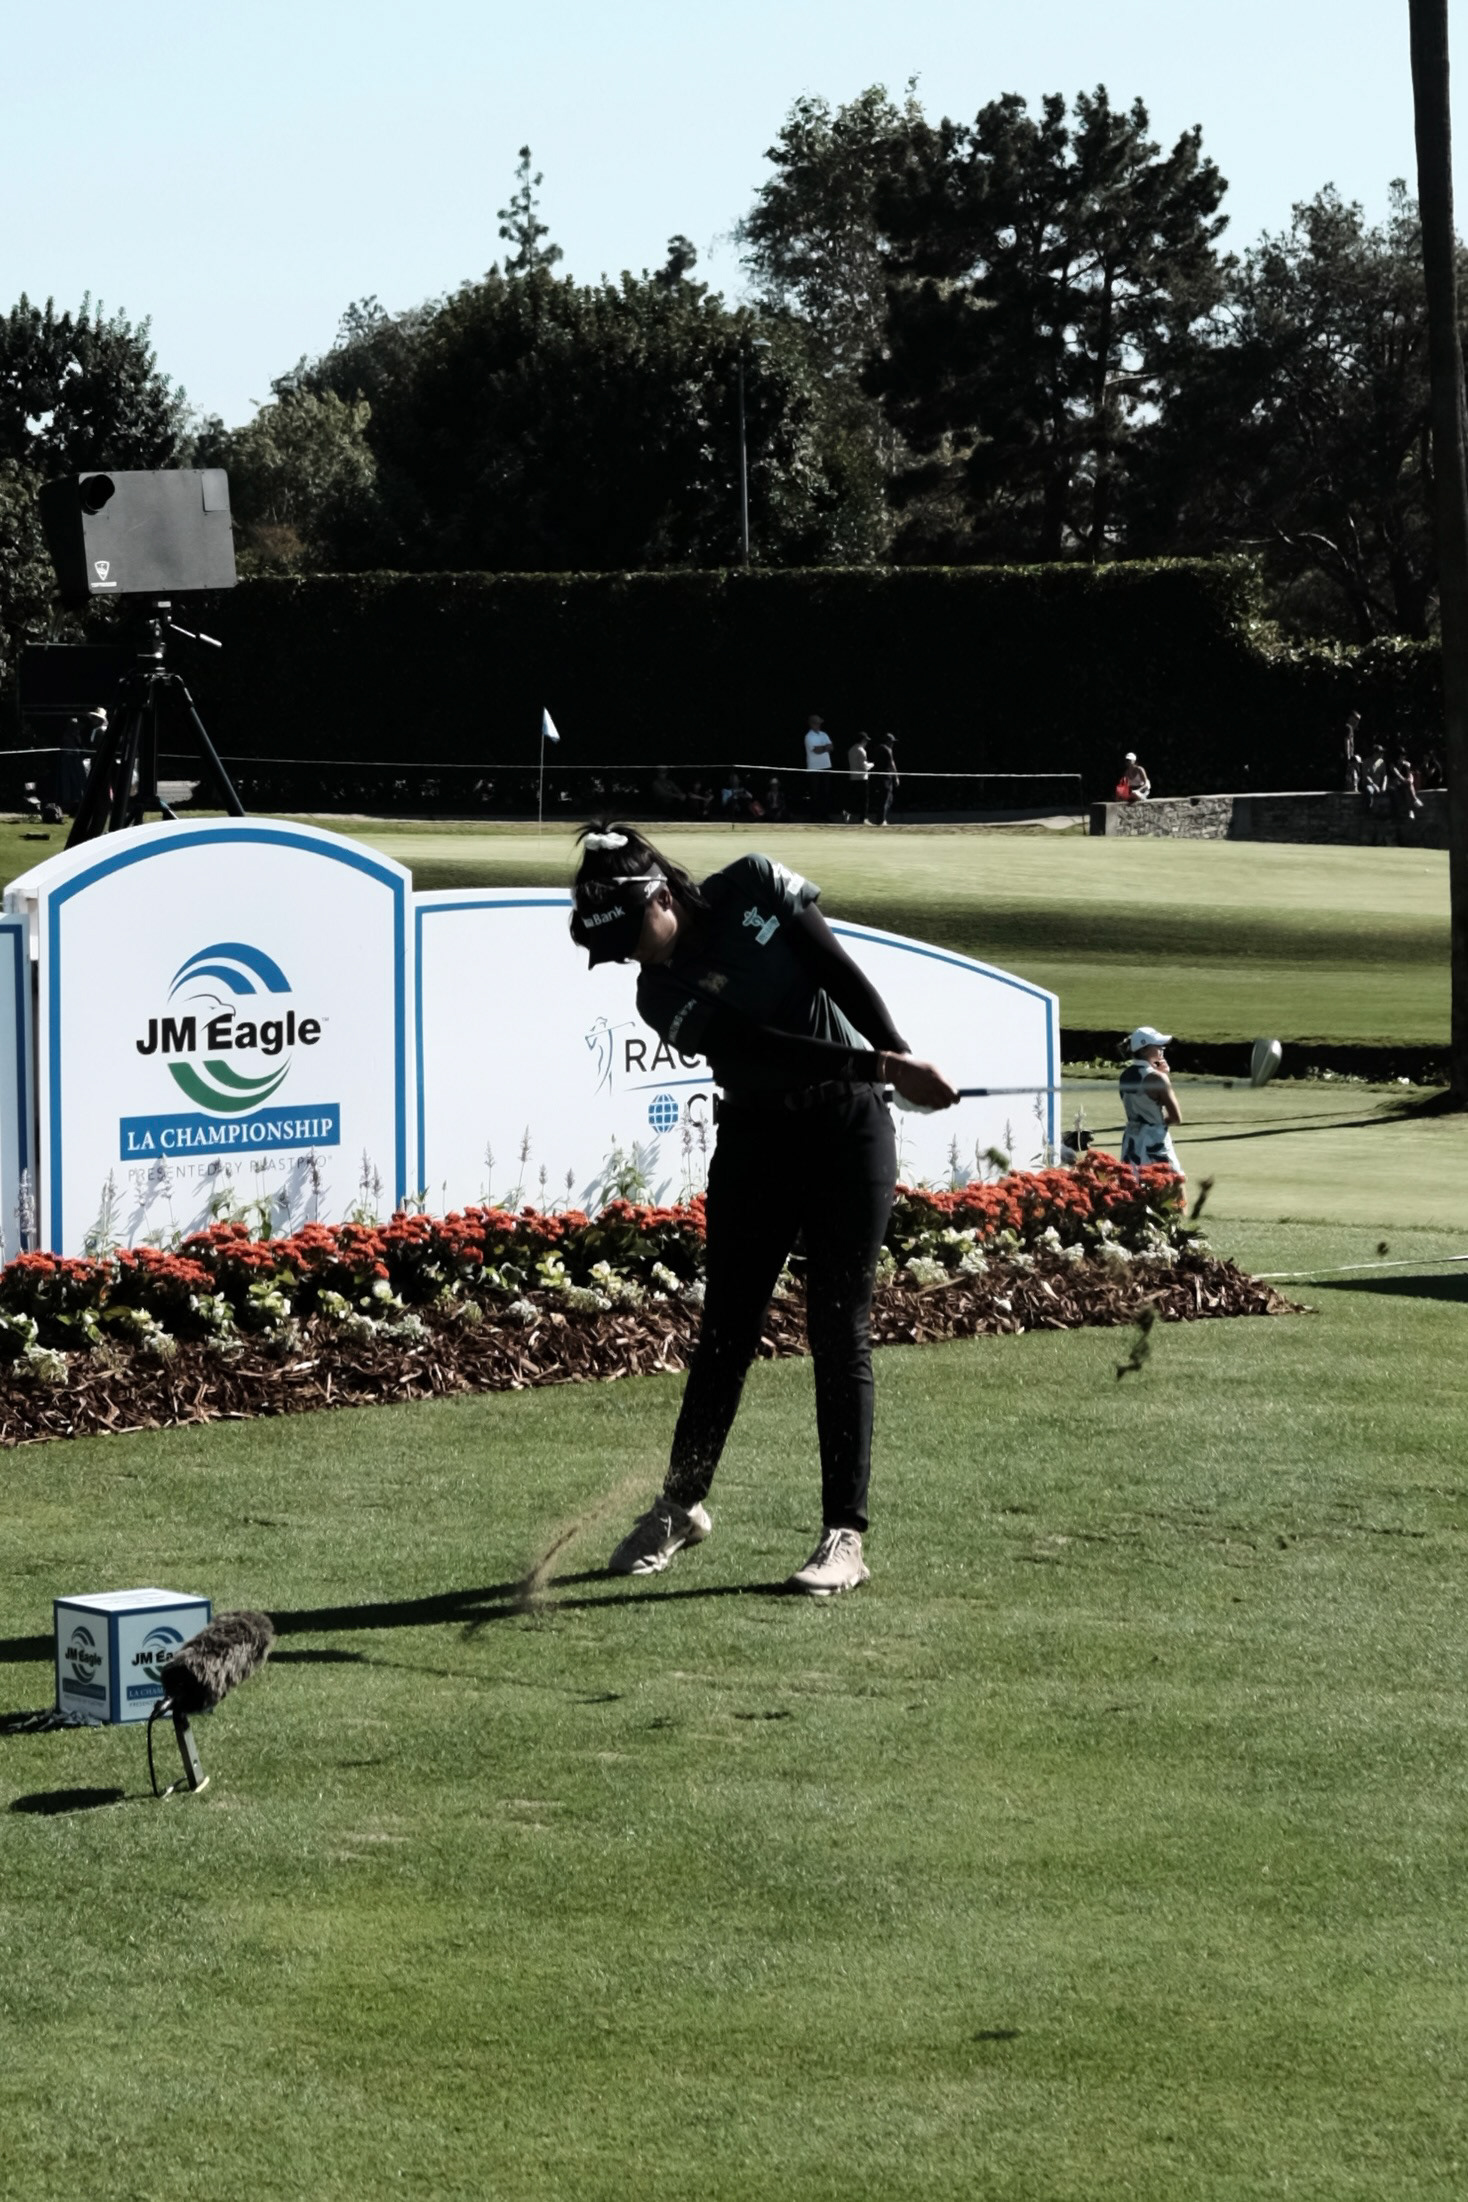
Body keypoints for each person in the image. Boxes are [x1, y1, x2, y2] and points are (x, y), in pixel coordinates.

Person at [569, 822, 957, 1596]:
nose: (633, 958)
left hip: (848, 1128)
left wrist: (899, 1054)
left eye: (631, 937)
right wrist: (882, 1063)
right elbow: (758, 1045)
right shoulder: (659, 994)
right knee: (727, 1330)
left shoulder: (755, 883)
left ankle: (844, 1536)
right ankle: (681, 1505)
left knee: (837, 1325)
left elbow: (834, 969)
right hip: (756, 1139)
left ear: (661, 896)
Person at [1118, 1026, 1182, 1174]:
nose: (1162, 1048)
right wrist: (1164, 1076)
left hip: (1131, 1141)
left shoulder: (1124, 1076)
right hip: (1155, 1142)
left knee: (1132, 1183)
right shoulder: (1158, 1078)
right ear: (1144, 1050)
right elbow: (1176, 1118)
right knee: (1175, 1182)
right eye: (1157, 1045)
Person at [803, 713, 834, 821]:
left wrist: (823, 748)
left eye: (819, 723)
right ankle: (814, 816)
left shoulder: (824, 734)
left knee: (826, 793)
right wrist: (825, 747)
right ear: (811, 724)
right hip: (814, 768)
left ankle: (825, 816)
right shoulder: (808, 737)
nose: (819, 725)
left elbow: (831, 747)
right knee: (815, 793)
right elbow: (816, 750)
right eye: (817, 723)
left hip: (826, 767)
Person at [868, 731, 898, 825]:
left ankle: (881, 819)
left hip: (878, 777)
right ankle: (881, 820)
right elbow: (892, 764)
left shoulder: (878, 748)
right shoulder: (887, 749)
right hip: (885, 778)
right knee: (885, 799)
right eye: (892, 742)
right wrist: (896, 777)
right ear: (888, 741)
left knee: (887, 798)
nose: (893, 744)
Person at [846, 731, 871, 823]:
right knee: (864, 800)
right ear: (862, 740)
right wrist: (872, 765)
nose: (867, 742)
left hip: (853, 778)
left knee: (854, 798)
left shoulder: (851, 750)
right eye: (866, 740)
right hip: (862, 778)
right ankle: (864, 819)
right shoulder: (861, 750)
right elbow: (864, 766)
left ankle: (847, 812)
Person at [1343, 712, 1362, 793]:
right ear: (1351, 717)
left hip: (1349, 755)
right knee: (1351, 774)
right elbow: (1347, 741)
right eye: (1356, 719)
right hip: (1348, 756)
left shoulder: (1349, 728)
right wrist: (1348, 755)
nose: (1357, 721)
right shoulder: (1348, 727)